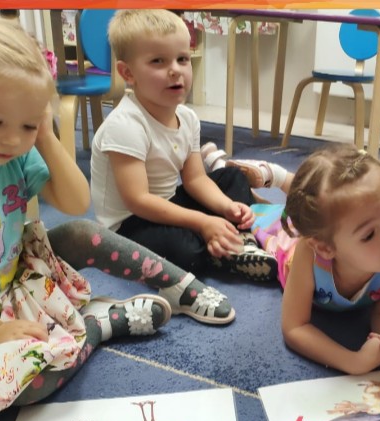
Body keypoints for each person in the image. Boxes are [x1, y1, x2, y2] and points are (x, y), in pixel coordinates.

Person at [0, 13, 234, 421]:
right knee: (15, 389)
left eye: (26, 124)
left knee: (81, 232)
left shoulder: (17, 151)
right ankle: (99, 325)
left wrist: (44, 135)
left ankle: (182, 286)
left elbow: (74, 201)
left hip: (21, 279)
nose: (12, 139)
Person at [90, 9, 277, 282]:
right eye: (158, 61)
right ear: (128, 73)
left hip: (167, 204)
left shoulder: (187, 117)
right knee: (184, 251)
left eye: (182, 59)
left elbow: (195, 179)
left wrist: (227, 207)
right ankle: (226, 248)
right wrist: (202, 222)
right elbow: (138, 200)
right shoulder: (125, 125)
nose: (175, 70)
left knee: (233, 178)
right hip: (128, 226)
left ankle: (234, 237)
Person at [249, 144, 380, 375]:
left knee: (316, 214)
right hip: (288, 249)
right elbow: (294, 328)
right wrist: (352, 361)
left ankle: (281, 180)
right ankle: (263, 179)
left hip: (325, 231)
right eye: (369, 235)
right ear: (325, 248)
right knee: (250, 215)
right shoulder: (309, 252)